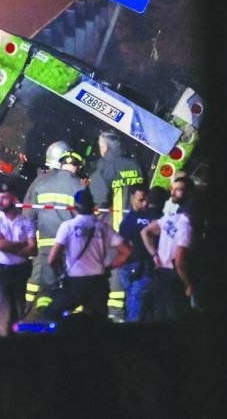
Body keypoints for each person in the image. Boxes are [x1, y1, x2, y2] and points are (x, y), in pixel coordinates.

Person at [44, 190, 132, 319]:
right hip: (98, 283)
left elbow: (51, 259)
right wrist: (109, 267)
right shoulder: (104, 227)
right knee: (97, 321)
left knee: (51, 313)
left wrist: (60, 275)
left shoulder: (68, 227)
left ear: (75, 207)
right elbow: (127, 252)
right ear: (93, 206)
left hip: (75, 283)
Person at [87, 129, 145, 319]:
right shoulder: (135, 165)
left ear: (105, 148)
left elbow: (98, 201)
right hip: (138, 228)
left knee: (115, 275)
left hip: (115, 230)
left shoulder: (103, 168)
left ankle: (115, 316)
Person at [22, 147, 82, 315]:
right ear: (78, 167)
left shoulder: (42, 183)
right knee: (69, 278)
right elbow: (83, 217)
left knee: (45, 278)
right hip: (69, 244)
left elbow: (29, 214)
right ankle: (70, 315)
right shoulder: (79, 186)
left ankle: (33, 309)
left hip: (45, 241)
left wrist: (30, 237)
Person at [0, 184, 37, 336]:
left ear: (15, 200)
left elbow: (34, 249)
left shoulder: (26, 221)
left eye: (5, 198)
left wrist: (8, 245)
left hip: (20, 272)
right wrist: (22, 244)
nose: (0, 202)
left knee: (19, 313)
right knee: (3, 314)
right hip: (0, 272)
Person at [140, 175, 196, 322]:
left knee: (160, 317)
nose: (173, 192)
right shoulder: (185, 225)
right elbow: (179, 260)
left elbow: (145, 232)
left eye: (178, 190)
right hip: (175, 278)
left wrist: (155, 256)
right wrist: (188, 284)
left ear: (189, 193)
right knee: (175, 319)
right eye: (173, 189)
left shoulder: (170, 218)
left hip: (161, 274)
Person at [117, 185, 165, 322]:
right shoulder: (157, 219)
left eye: (146, 200)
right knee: (138, 308)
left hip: (135, 268)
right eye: (141, 200)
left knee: (134, 305)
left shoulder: (130, 219)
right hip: (142, 268)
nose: (144, 203)